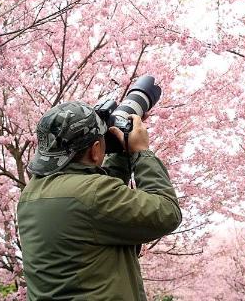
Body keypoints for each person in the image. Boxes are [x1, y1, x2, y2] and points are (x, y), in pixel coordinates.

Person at [17, 101, 182, 300]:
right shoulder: (92, 194)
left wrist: (122, 153)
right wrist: (140, 152)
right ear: (96, 150)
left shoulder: (31, 194)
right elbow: (167, 211)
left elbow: (97, 200)